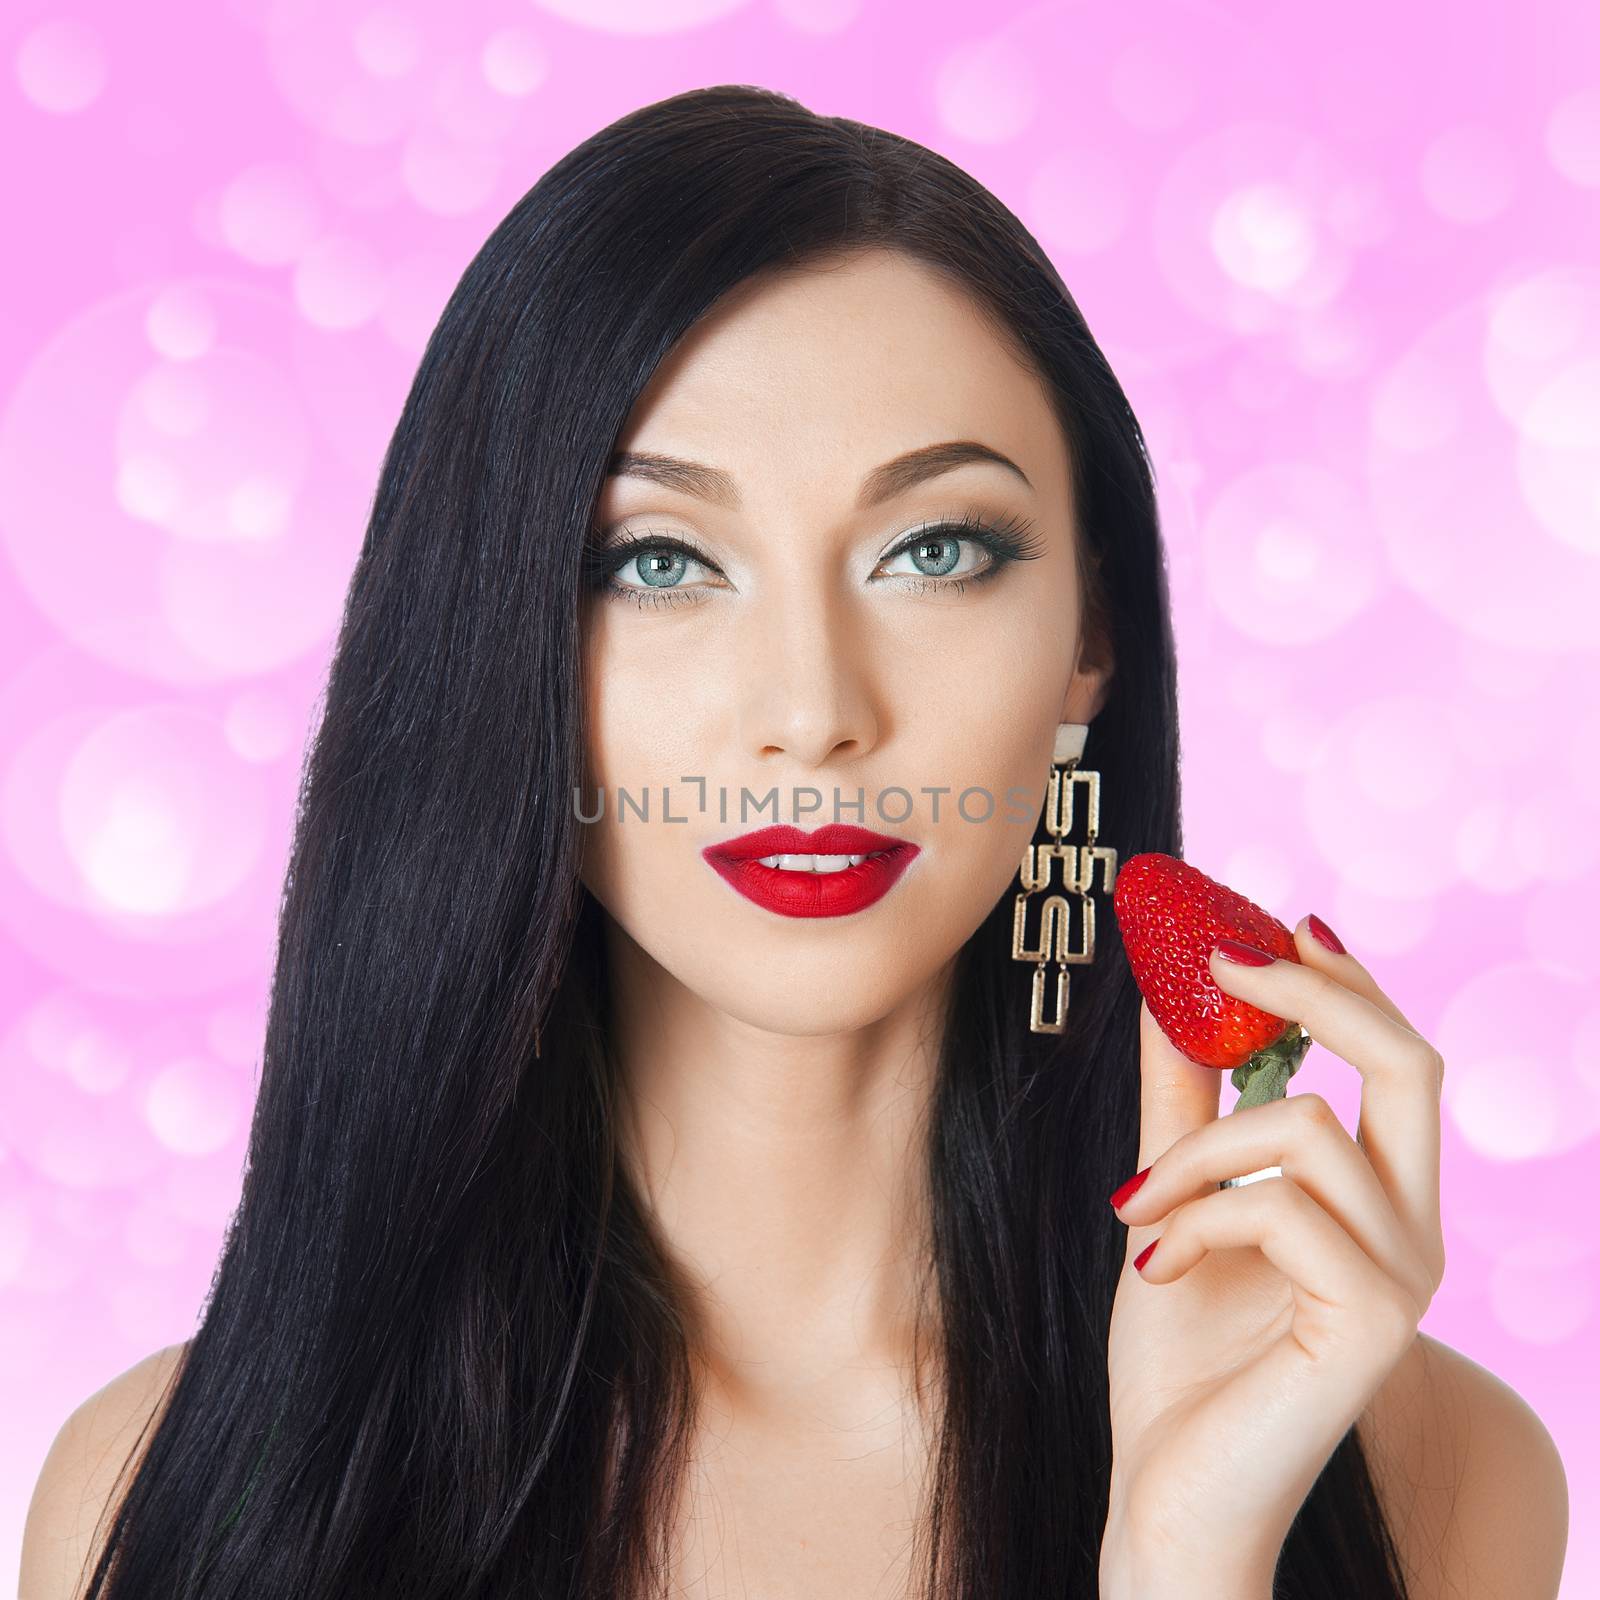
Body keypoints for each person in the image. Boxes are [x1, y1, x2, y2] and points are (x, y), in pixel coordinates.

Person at [20, 84, 1567, 1600]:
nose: (814, 713)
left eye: (937, 550)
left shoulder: (1426, 1468)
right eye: (662, 559)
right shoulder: (168, 1488)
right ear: (502, 636)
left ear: (1089, 635)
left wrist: (1190, 1564)